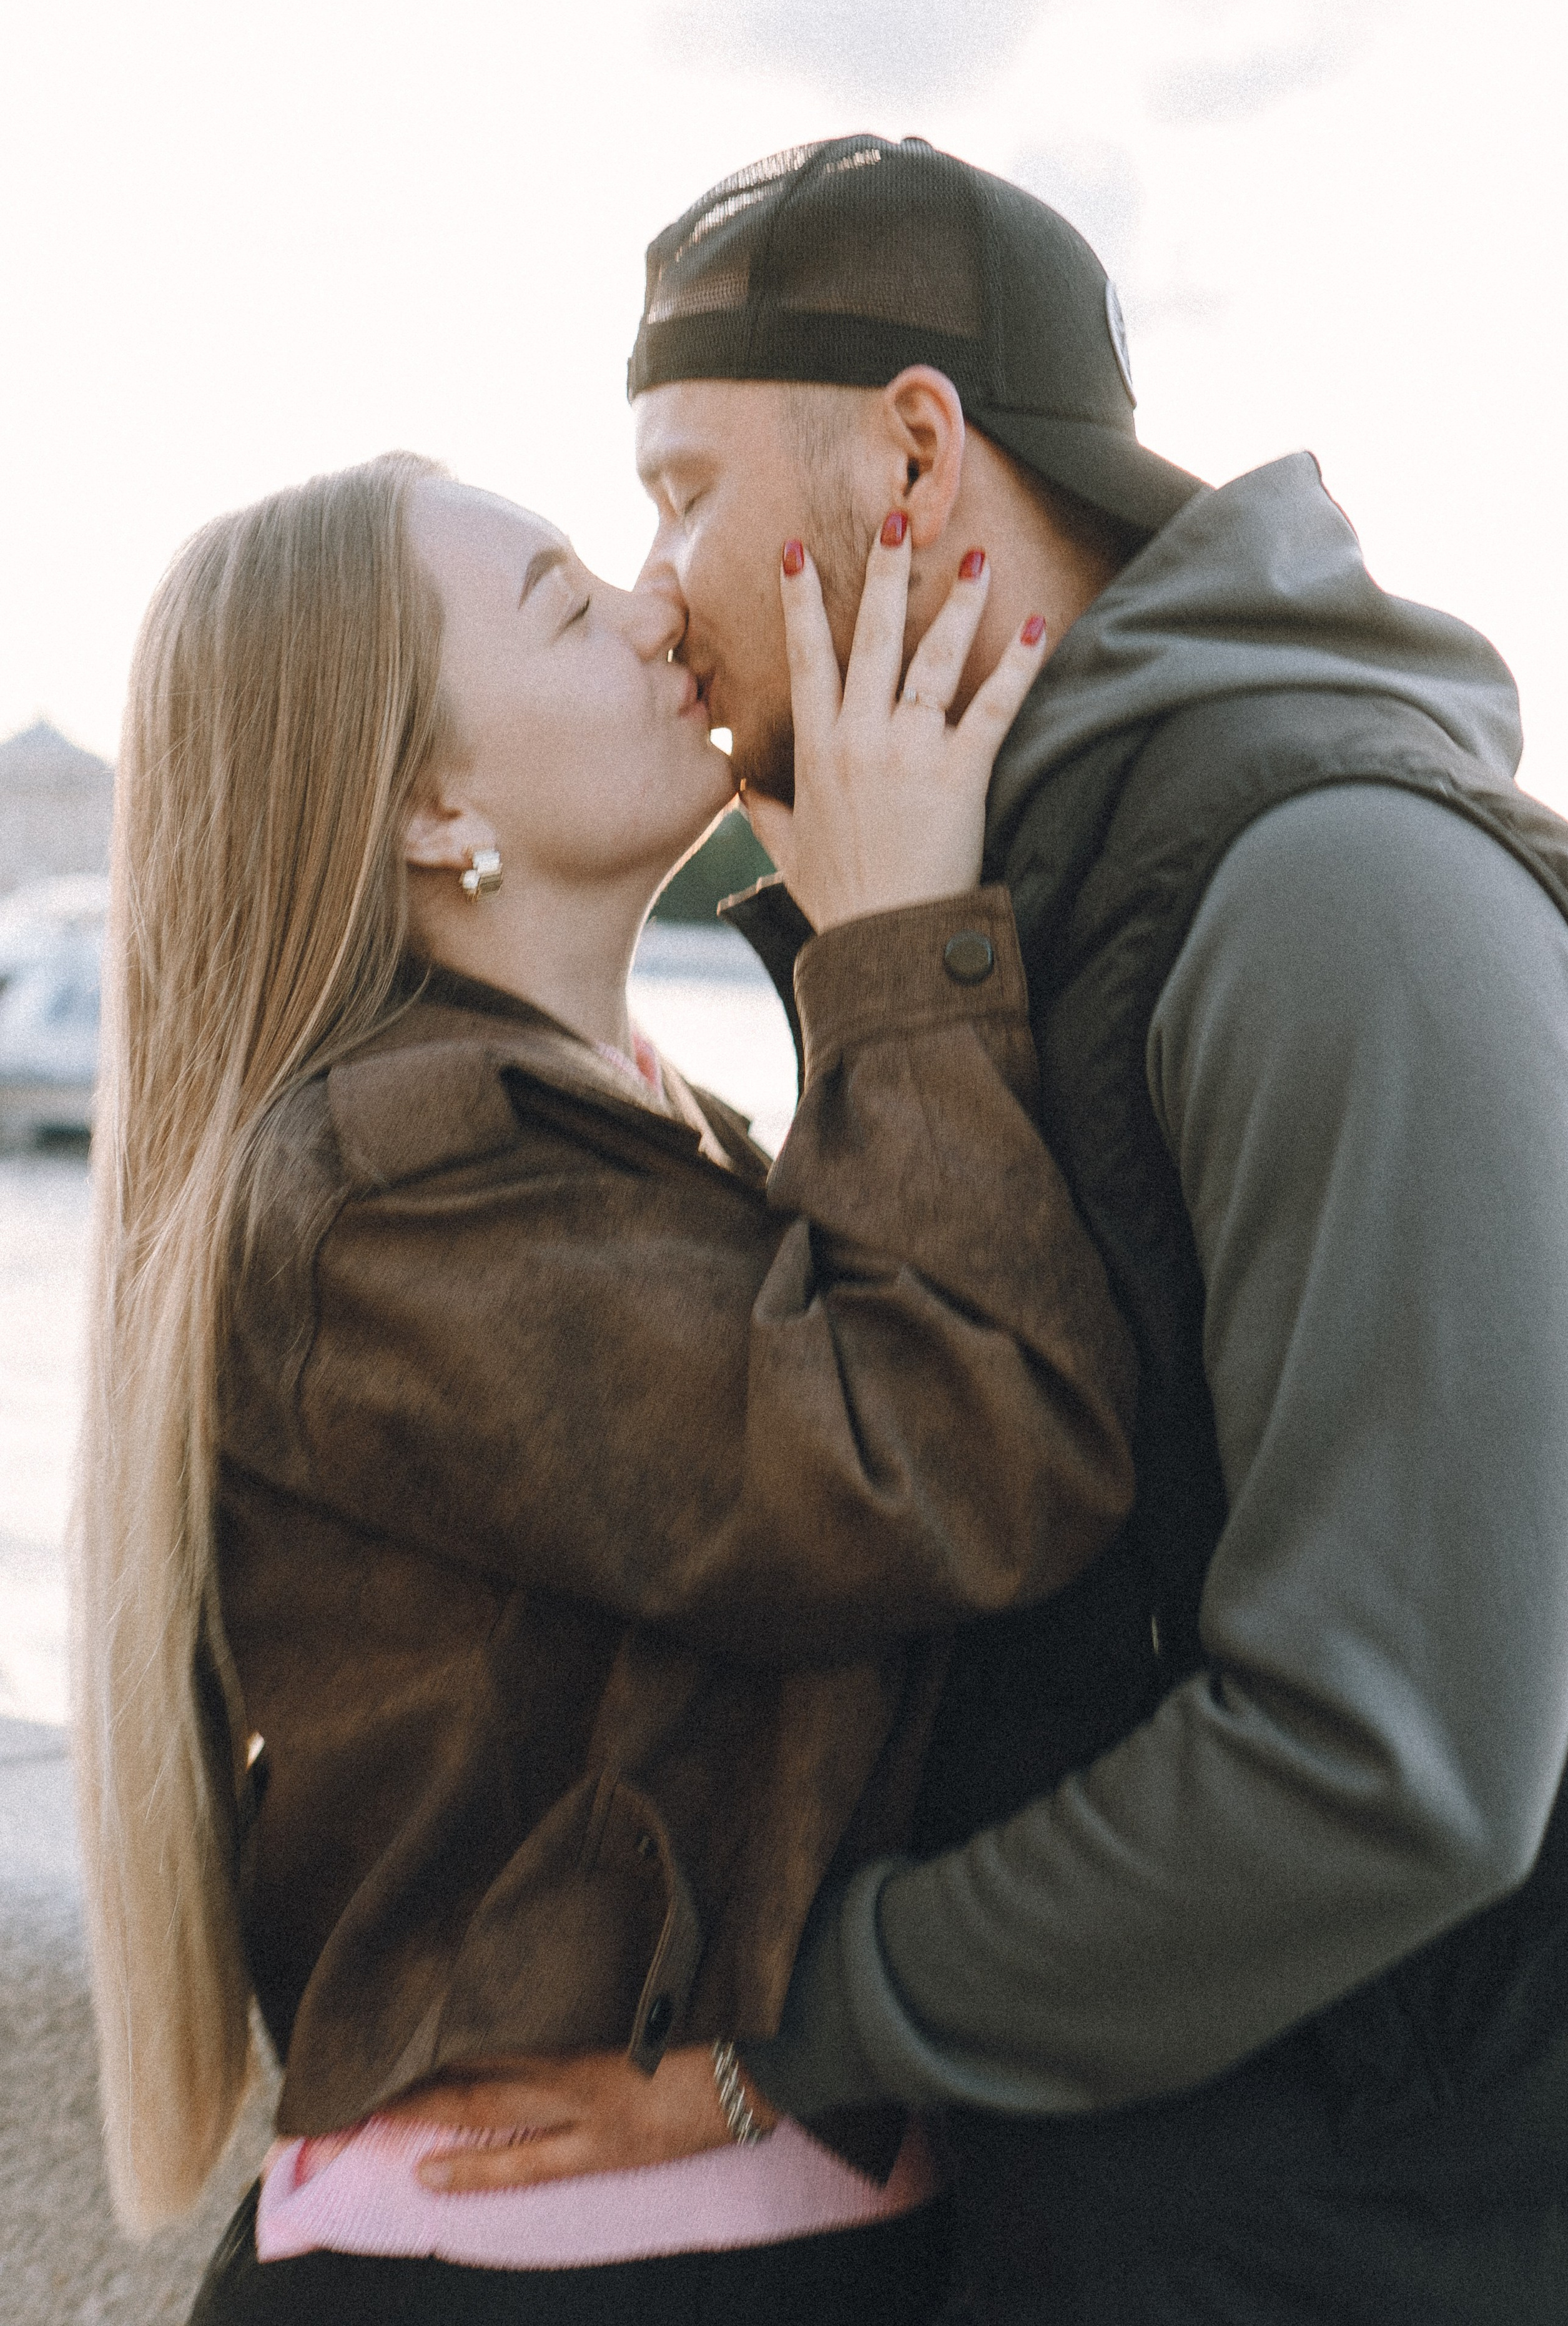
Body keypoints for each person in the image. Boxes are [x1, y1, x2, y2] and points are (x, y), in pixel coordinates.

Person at [440, 136, 1568, 2324]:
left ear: (911, 453)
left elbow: (1391, 1770)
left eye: (680, 489)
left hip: (1376, 2249)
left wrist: (795, 2039)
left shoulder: (1341, 896)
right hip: (1118, 2215)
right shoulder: (991, 896)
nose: (651, 582)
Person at [70, 448, 1142, 2325]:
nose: (659, 606)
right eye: (570, 603)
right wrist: (896, 946)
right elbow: (949, 1470)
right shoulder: (384, 1192)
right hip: (546, 2281)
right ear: (426, 804)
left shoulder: (628, 1130)